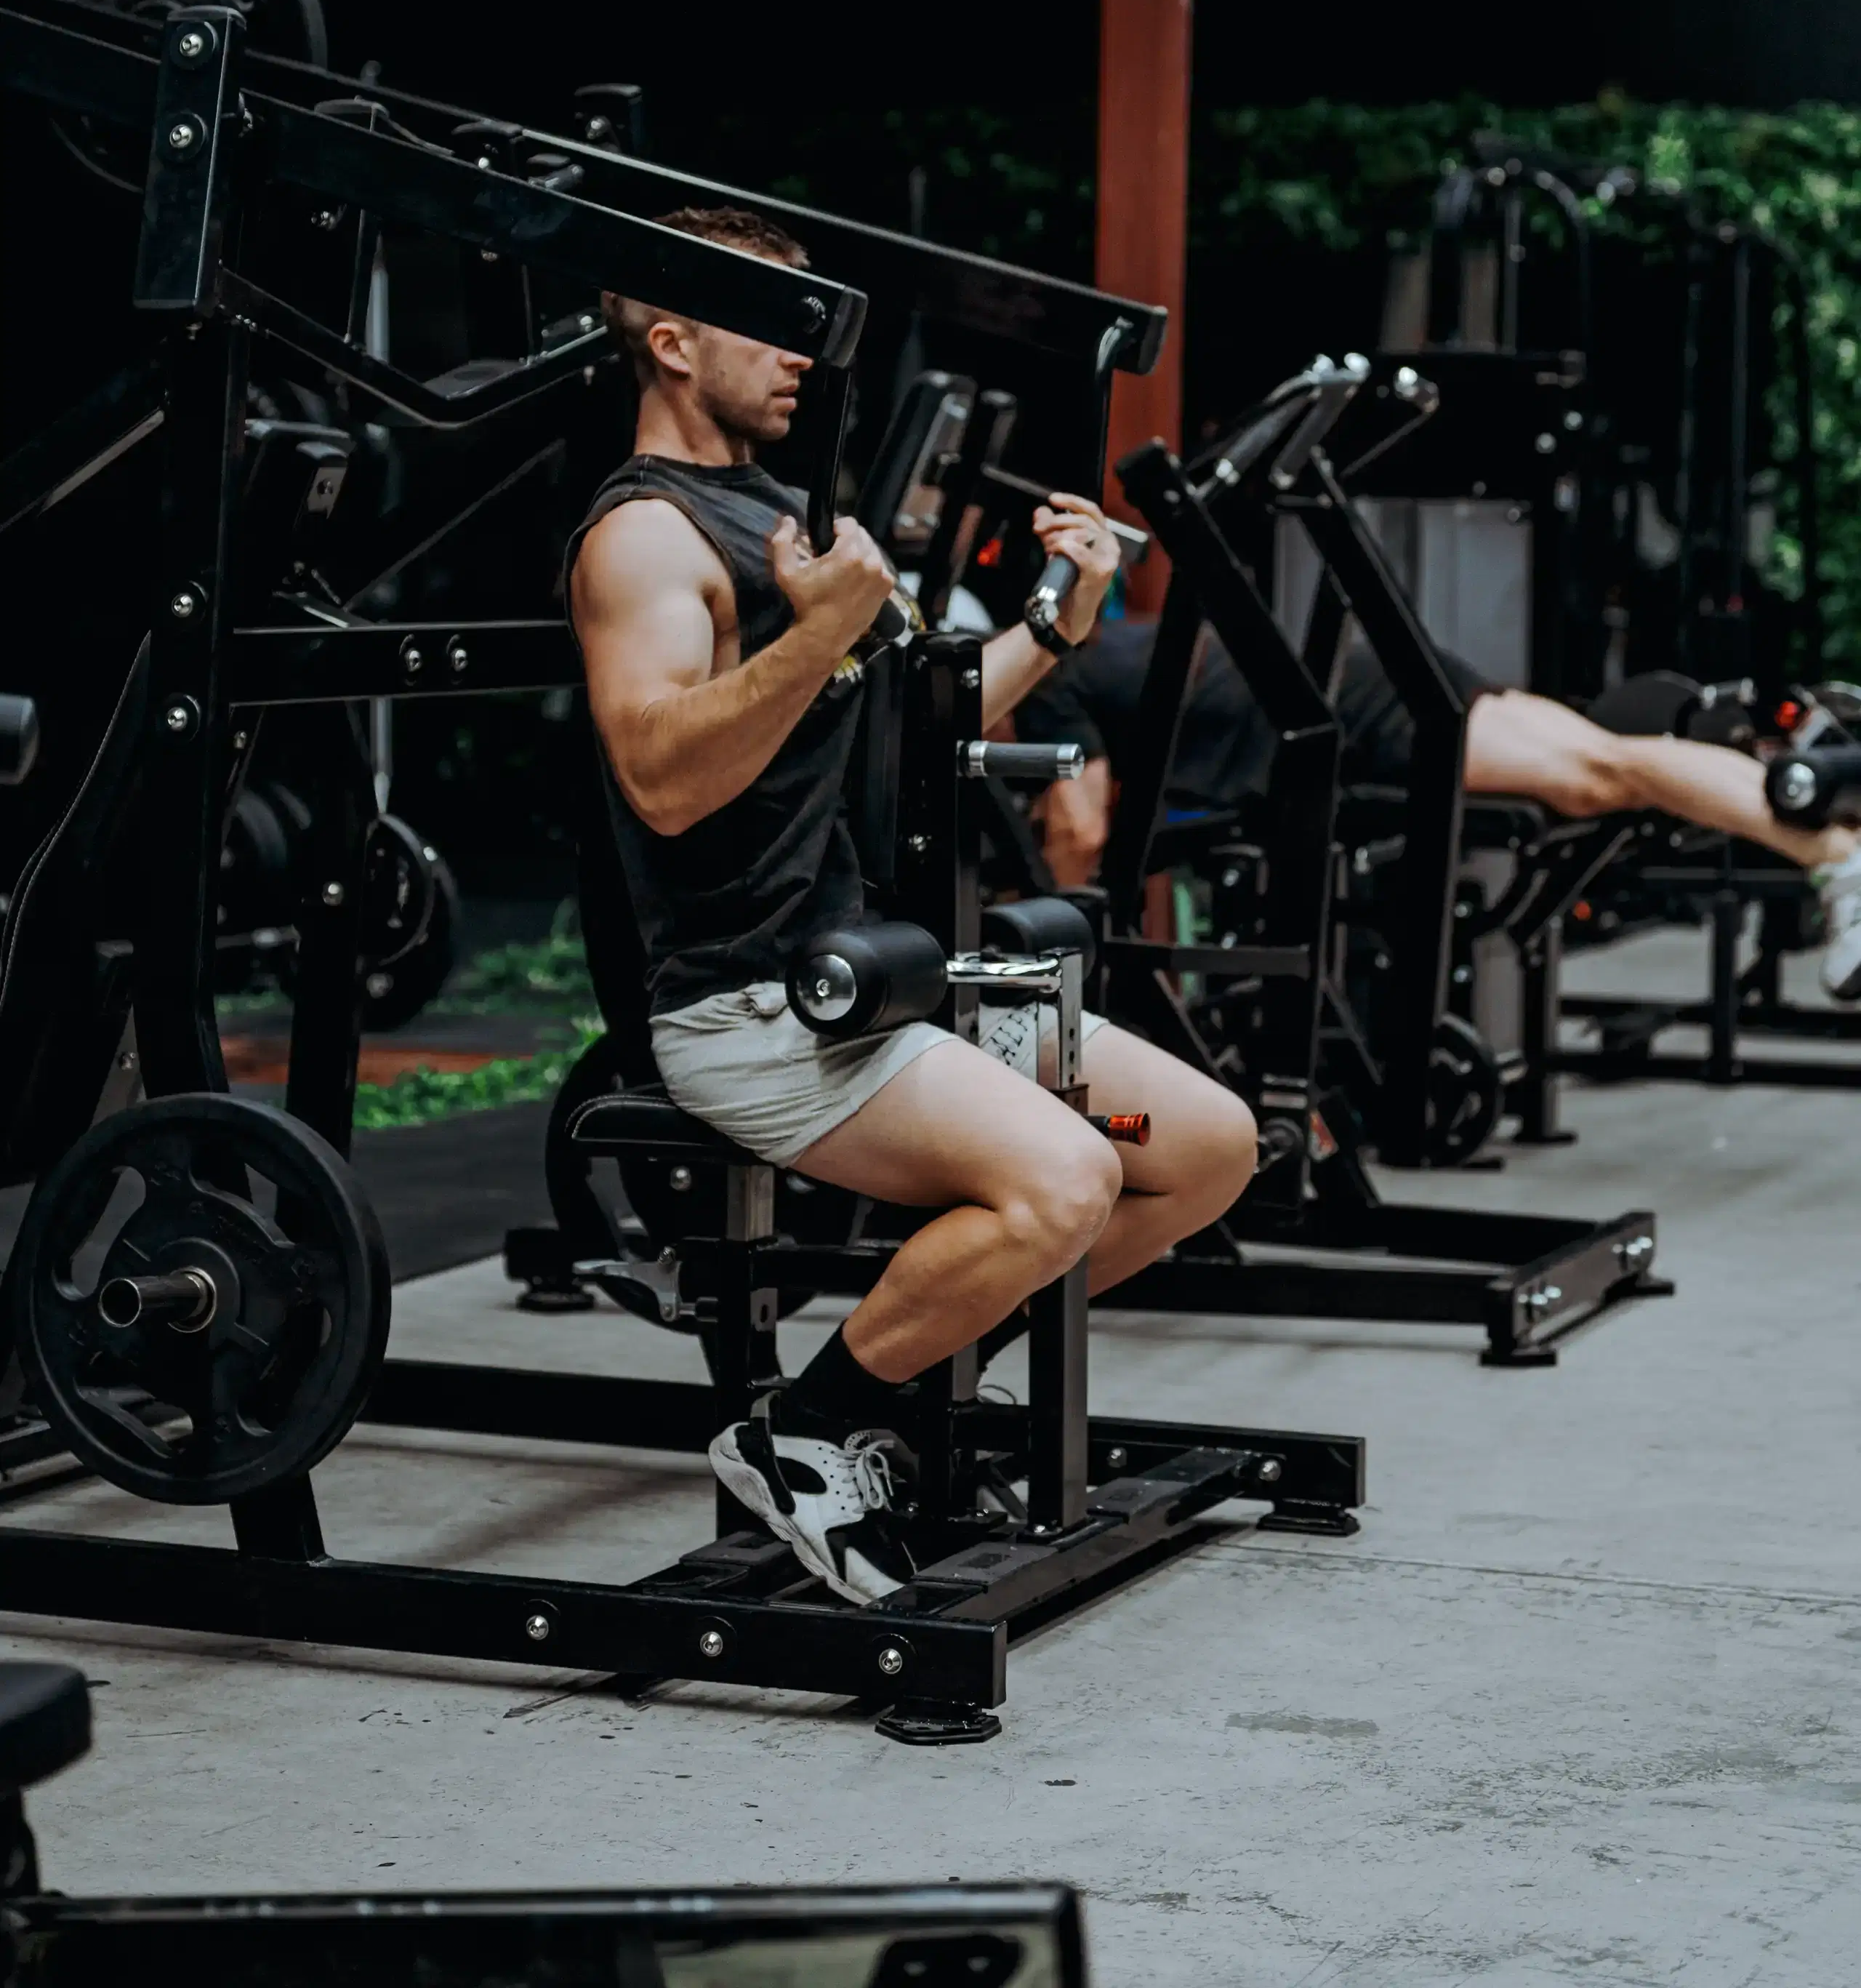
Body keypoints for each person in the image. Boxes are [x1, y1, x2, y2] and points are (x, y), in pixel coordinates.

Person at [566, 204, 1258, 1605]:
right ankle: (808, 1432)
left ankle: (905, 1390)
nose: (807, 358)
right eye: (778, 324)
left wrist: (1058, 625)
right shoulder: (645, 538)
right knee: (1069, 1174)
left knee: (1202, 1147)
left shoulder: (795, 522)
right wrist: (822, 628)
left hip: (879, 980)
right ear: (672, 339)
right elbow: (659, 779)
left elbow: (908, 741)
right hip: (749, 1006)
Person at [1016, 618, 1861, 998]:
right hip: (1373, 673)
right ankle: (1837, 852)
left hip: (1362, 703)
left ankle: (1837, 863)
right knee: (1604, 771)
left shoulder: (1050, 686)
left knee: (1603, 770)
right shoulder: (1084, 650)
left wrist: (1033, 948)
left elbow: (1078, 831)